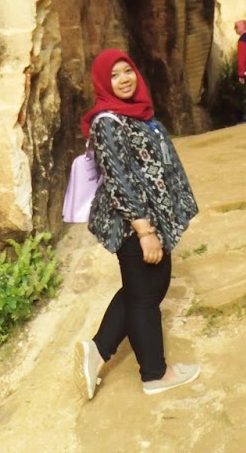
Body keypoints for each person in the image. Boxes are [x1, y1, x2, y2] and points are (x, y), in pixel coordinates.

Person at [78, 48, 201, 399]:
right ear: (103, 82)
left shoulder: (137, 114)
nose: (124, 79)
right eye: (114, 75)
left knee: (142, 290)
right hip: (132, 223)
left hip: (145, 219)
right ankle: (155, 374)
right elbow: (120, 180)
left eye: (127, 70)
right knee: (147, 295)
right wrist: (145, 230)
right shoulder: (107, 122)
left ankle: (97, 351)